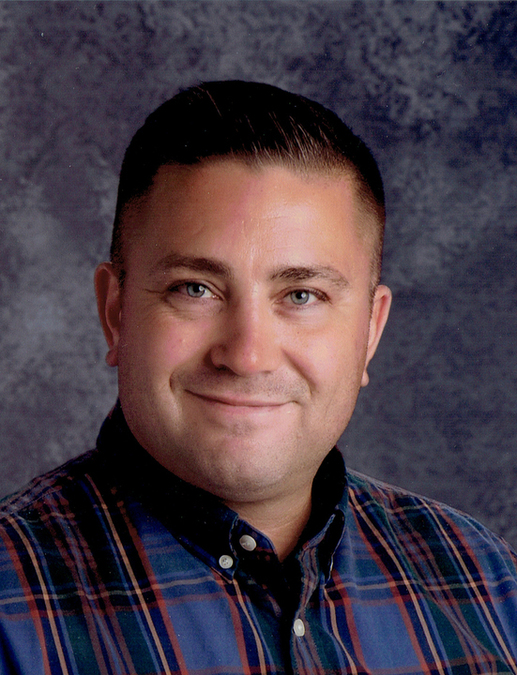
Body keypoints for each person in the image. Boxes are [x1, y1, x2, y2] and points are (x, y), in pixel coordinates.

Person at [0, 81, 516, 675]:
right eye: (195, 289)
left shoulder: (486, 583)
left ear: (370, 332)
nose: (247, 356)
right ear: (116, 313)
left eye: (302, 295)